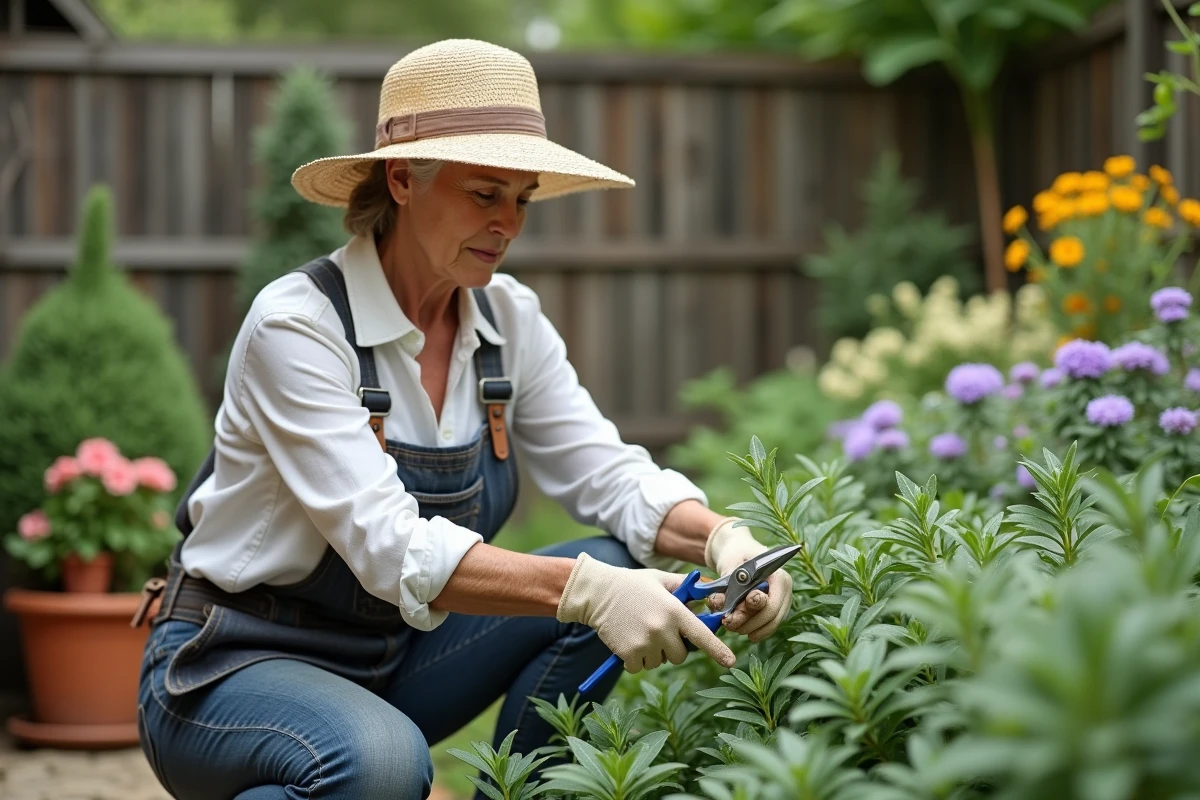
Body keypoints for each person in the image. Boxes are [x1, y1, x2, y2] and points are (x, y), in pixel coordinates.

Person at [133, 38, 793, 800]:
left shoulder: (509, 321)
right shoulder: (300, 327)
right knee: (381, 766)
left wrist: (719, 537)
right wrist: (589, 590)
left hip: (390, 658)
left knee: (612, 553)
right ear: (404, 178)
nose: (508, 224)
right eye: (485, 194)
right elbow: (389, 546)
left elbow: (605, 471)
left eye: (523, 197)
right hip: (227, 666)